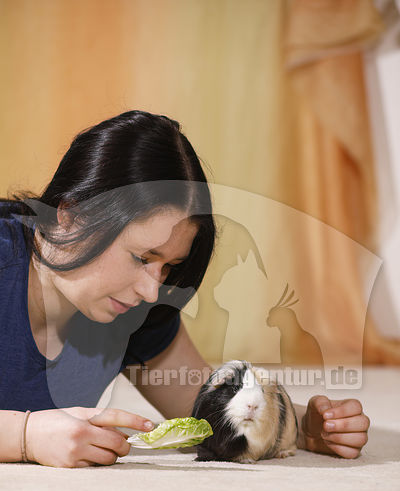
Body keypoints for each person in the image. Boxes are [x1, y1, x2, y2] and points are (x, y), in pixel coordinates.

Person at [0, 110, 369, 468]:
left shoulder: (134, 307)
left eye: (168, 267)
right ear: (68, 216)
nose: (151, 290)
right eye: (142, 257)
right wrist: (25, 436)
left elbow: (203, 408)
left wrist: (305, 429)